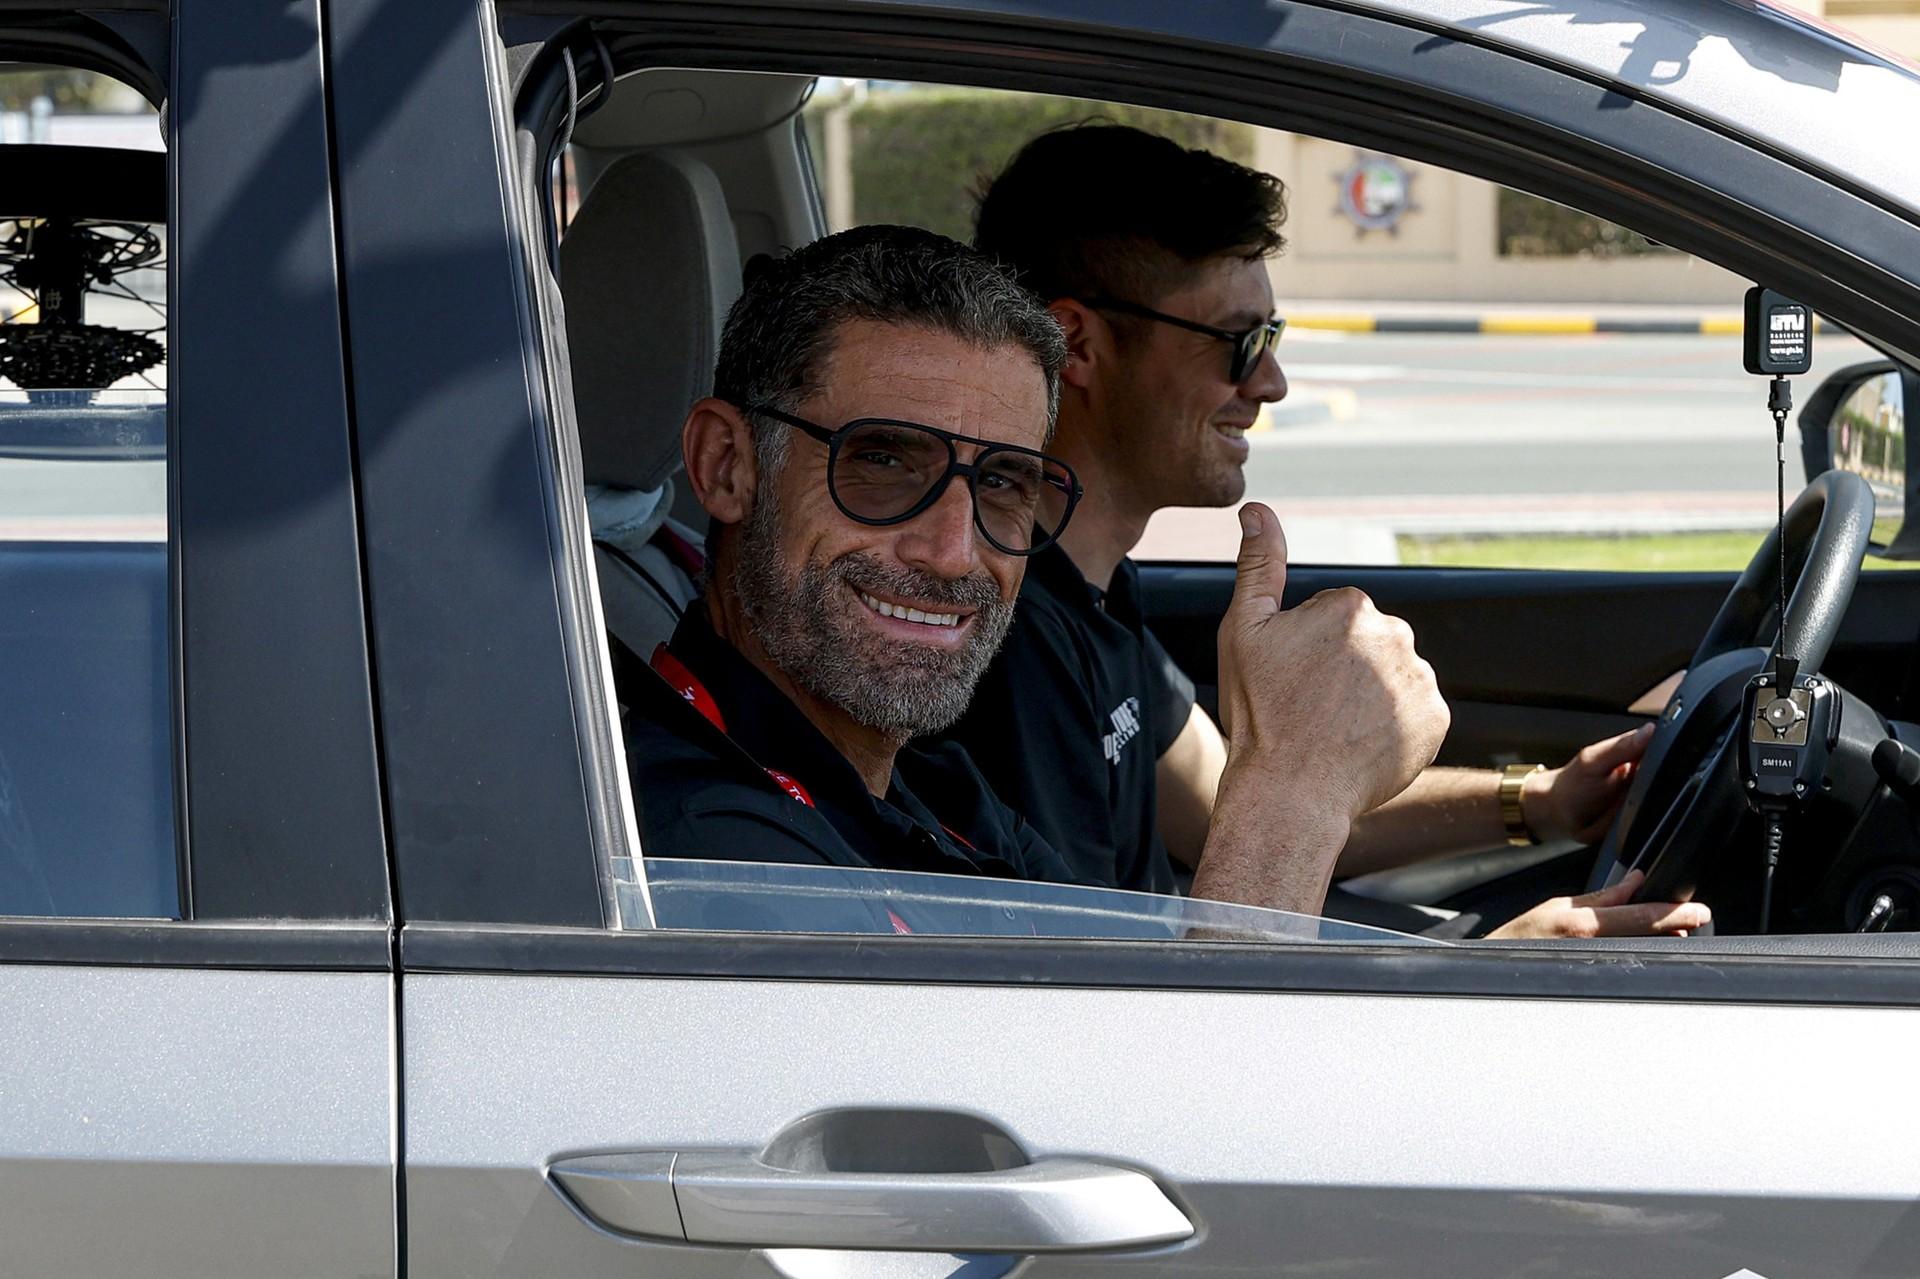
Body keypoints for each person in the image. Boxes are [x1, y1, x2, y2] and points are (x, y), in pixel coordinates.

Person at [946, 124, 1706, 939]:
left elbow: (1226, 809)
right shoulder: (1006, 646)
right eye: (1241, 343)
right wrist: (1496, 962)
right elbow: (1108, 1022)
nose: (1270, 382)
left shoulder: (1090, 587)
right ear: (1077, 343)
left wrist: (1540, 800)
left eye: (1272, 339)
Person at [624, 223, 1452, 922]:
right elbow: (1157, 1111)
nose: (953, 551)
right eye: (879, 462)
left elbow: (1117, 1017)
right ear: (727, 464)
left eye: (1002, 482)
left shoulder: (926, 785)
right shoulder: (708, 858)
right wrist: (1290, 804)